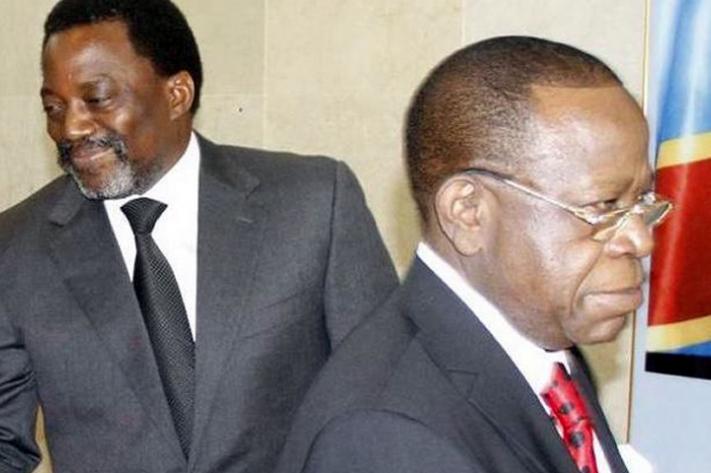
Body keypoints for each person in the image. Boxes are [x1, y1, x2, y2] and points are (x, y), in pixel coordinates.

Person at [0, 0, 398, 472]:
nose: (71, 127)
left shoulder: (313, 205)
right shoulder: (16, 248)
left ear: (177, 94)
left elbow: (384, 401)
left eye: (97, 99)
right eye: (54, 107)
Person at [275, 36, 672, 473]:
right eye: (603, 207)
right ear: (468, 212)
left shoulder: (542, 348)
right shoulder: (388, 433)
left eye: (642, 200)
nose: (641, 240)